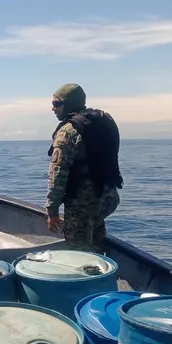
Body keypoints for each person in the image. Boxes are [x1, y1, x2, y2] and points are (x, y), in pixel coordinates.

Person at [45, 83, 123, 253]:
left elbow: (57, 174)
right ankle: (102, 264)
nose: (53, 108)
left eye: (57, 103)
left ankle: (87, 268)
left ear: (69, 103)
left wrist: (52, 210)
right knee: (96, 240)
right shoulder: (103, 120)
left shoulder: (68, 130)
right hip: (107, 197)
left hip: (83, 203)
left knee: (78, 250)